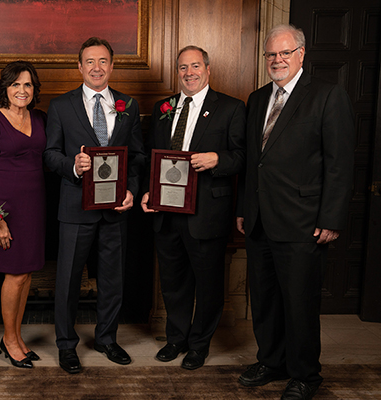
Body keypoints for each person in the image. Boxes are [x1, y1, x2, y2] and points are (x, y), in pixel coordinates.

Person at [236, 24, 354, 400]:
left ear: (301, 54)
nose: (277, 60)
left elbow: (340, 164)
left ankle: (305, 374)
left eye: (285, 53)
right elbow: (253, 162)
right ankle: (271, 361)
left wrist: (330, 219)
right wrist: (244, 209)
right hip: (259, 220)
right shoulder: (256, 99)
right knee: (266, 299)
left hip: (303, 223)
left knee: (300, 304)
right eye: (271, 54)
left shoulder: (327, 95)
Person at [44, 37, 145, 374]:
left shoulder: (128, 105)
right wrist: (73, 166)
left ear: (112, 66)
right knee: (68, 280)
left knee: (113, 280)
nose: (97, 67)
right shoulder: (61, 106)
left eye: (103, 61)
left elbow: (137, 156)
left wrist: (131, 190)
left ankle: (106, 338)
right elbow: (50, 155)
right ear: (80, 66)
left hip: (115, 209)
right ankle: (66, 345)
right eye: (90, 61)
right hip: (75, 208)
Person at [141, 46, 246, 370]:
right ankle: (176, 339)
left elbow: (244, 157)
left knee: (209, 283)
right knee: (173, 281)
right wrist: (148, 192)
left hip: (206, 214)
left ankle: (199, 344)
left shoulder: (230, 108)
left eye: (195, 66)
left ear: (208, 69)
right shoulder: (163, 108)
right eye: (183, 67)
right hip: (167, 211)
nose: (189, 72)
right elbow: (152, 156)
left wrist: (218, 159)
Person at [0, 61, 46, 369]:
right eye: (16, 84)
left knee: (27, 273)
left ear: (34, 89)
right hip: (7, 209)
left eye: (27, 84)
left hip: (35, 207)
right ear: (5, 88)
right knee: (13, 275)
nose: (22, 90)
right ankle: (9, 338)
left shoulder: (40, 118)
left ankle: (15, 337)